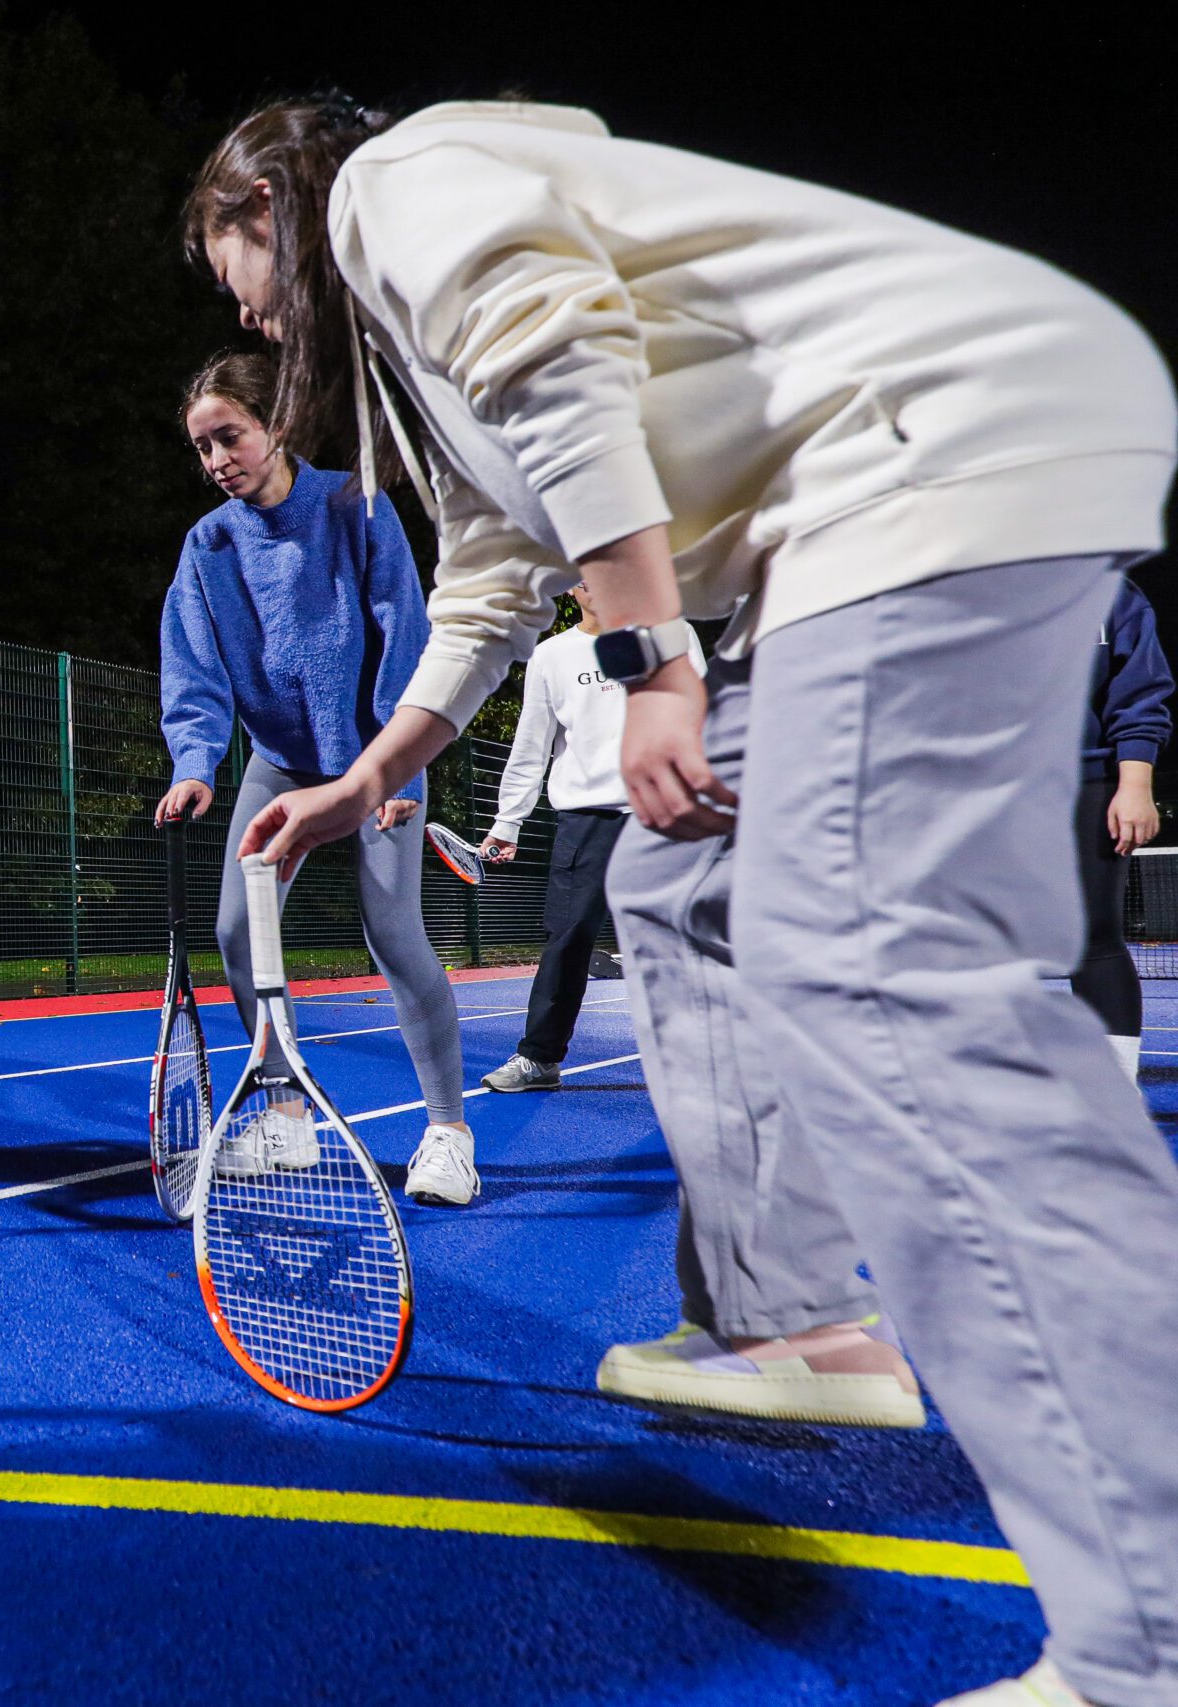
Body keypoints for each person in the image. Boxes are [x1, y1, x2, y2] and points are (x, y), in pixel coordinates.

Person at [186, 95, 1177, 1707]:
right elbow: (498, 574)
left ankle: (1147, 1625)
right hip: (852, 518)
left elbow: (559, 363)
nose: (234, 304)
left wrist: (647, 656)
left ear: (266, 200)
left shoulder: (395, 183)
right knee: (679, 882)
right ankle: (795, 1322)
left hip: (926, 471)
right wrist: (375, 774)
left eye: (226, 258)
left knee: (875, 968)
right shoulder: (415, 357)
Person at [155, 351, 475, 1207]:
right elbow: (193, 670)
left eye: (230, 435)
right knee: (235, 928)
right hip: (279, 761)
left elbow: (404, 629)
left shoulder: (353, 505)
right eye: (202, 447)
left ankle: (449, 1132)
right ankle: (285, 1114)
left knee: (392, 933)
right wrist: (195, 763)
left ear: (278, 425)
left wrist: (397, 764)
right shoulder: (207, 546)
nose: (217, 458)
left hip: (376, 754)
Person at [478, 582, 701, 1093]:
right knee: (568, 940)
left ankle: (699, 1060)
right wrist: (507, 820)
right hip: (587, 822)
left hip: (665, 815)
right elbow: (531, 744)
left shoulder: (673, 635)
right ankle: (539, 1059)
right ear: (573, 586)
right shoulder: (551, 656)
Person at [1073, 578, 1170, 1080]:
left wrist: (1136, 781)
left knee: (1094, 940)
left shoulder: (1111, 592)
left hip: (1085, 781)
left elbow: (1140, 692)